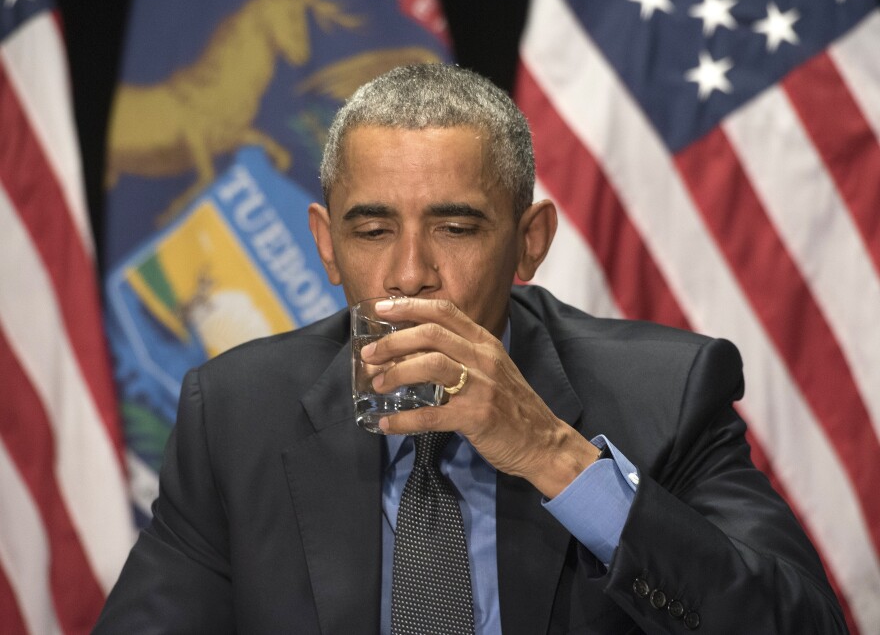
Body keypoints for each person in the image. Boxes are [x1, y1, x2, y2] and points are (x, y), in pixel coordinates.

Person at [96, 64, 845, 634]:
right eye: (372, 230)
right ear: (327, 246)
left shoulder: (669, 391)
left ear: (530, 241)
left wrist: (555, 455)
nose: (410, 272)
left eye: (455, 229)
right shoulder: (234, 413)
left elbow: (800, 622)